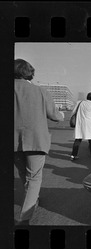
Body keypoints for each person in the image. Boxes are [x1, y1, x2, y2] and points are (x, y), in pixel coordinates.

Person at [14, 59, 64, 225]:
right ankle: (25, 217)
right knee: (34, 178)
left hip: (13, 141)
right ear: (30, 73)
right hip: (35, 140)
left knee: (23, 173)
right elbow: (55, 116)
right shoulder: (40, 91)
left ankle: (32, 198)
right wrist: (62, 115)